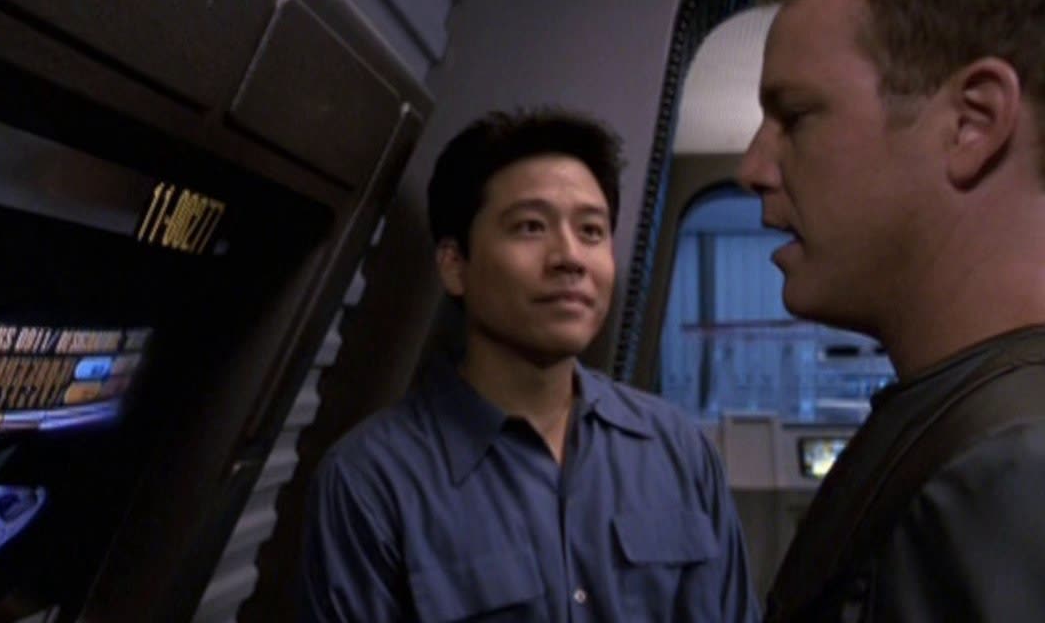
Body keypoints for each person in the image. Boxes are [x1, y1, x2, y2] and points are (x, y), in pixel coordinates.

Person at [298, 109, 758, 622]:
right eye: (531, 227)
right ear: (455, 265)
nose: (570, 257)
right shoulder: (371, 482)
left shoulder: (678, 450)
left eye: (591, 231)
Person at [737, 0, 1045, 620]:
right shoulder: (961, 429)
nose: (753, 168)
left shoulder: (1020, 471)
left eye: (795, 116)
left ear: (972, 123)